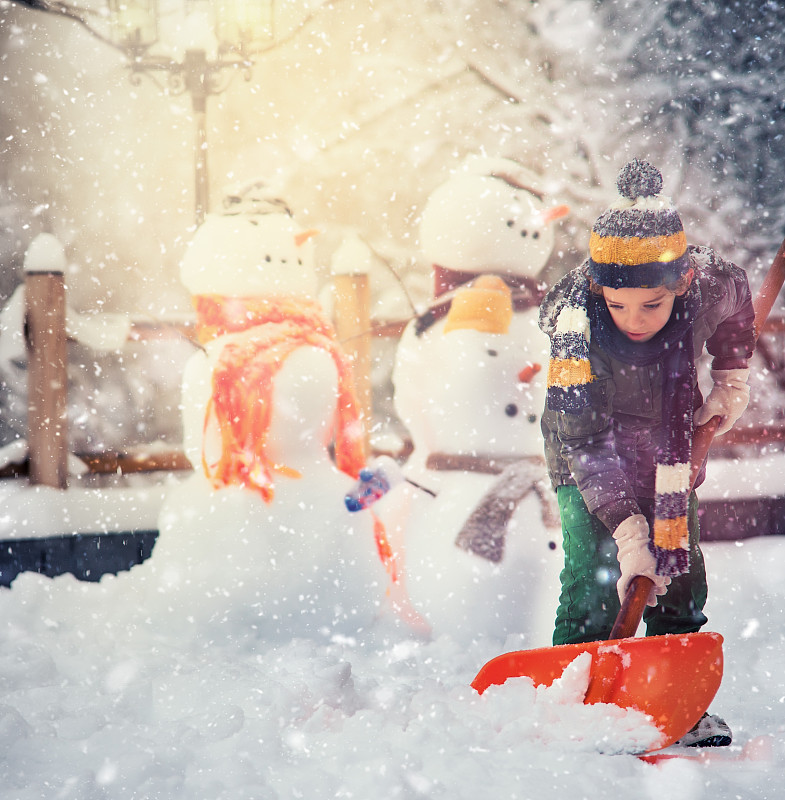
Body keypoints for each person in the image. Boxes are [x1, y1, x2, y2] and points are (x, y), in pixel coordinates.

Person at [538, 159, 755, 747]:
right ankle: (573, 696)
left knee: (677, 567)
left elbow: (738, 304)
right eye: (618, 304)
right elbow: (585, 439)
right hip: (585, 447)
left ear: (682, 283)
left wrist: (731, 377)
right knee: (594, 567)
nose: (633, 320)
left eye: (651, 305)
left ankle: (674, 702)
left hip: (670, 442)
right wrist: (629, 532)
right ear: (597, 289)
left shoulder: (711, 284)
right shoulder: (574, 328)